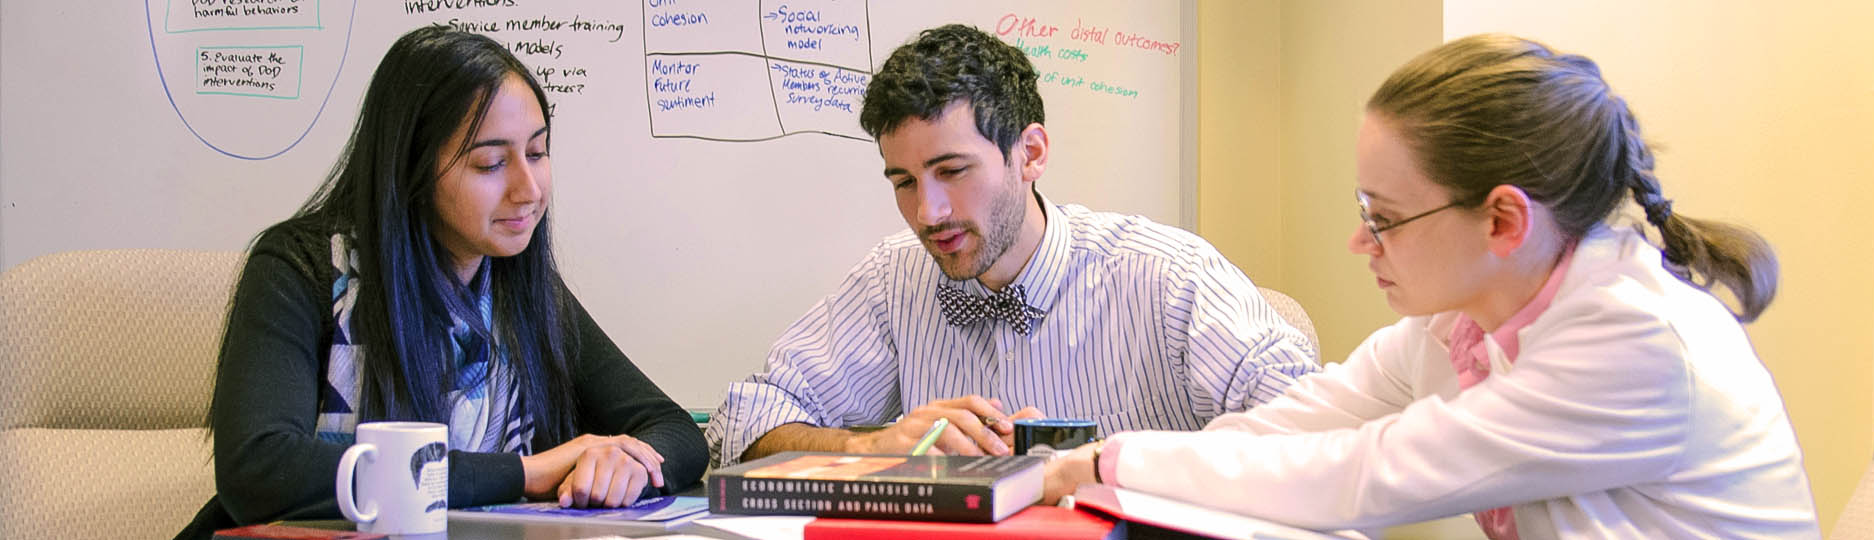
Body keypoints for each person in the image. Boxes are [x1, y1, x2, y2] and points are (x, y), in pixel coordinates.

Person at [1040, 34, 1819, 538]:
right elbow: (1296, 427)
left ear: (1504, 220)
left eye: (1383, 217)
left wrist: (1111, 464)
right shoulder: (1459, 322)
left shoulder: (1636, 340)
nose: (1358, 242)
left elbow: (1368, 475)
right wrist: (1107, 460)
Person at [706, 24, 1319, 467]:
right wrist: (871, 444)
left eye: (952, 171)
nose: (928, 212)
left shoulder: (1168, 277)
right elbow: (740, 423)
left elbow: (1310, 425)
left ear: (1030, 154)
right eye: (904, 182)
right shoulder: (894, 280)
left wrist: (1105, 462)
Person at [176, 26, 706, 539]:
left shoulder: (518, 284)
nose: (528, 188)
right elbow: (261, 471)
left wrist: (626, 465)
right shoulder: (299, 270)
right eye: (491, 163)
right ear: (410, 171)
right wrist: (526, 472)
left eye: (538, 153)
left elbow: (674, 431)